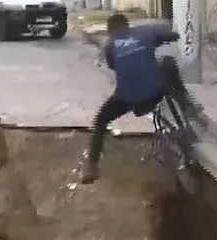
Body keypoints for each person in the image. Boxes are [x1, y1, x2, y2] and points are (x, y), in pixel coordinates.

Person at [80, 13, 204, 184]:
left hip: (127, 98)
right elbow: (173, 35)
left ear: (110, 31)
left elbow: (114, 65)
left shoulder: (109, 46)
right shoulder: (145, 33)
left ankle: (91, 167)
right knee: (168, 63)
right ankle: (188, 107)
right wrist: (160, 40)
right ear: (128, 25)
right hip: (156, 92)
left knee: (101, 120)